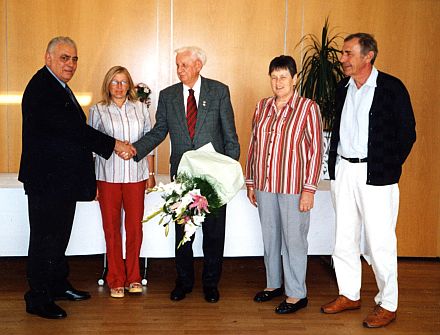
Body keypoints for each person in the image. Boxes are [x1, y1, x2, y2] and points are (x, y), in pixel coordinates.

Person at [19, 36, 136, 319]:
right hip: (47, 181)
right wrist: (115, 144)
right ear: (48, 58)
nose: (70, 64)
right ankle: (38, 298)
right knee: (45, 240)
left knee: (59, 238)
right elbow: (75, 131)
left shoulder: (58, 86)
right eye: (64, 58)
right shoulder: (42, 88)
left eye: (74, 59)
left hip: (60, 180)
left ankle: (58, 285)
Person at [128, 46, 240, 303]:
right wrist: (136, 149)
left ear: (198, 65)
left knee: (213, 233)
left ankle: (211, 284)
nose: (179, 70)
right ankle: (184, 282)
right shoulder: (167, 96)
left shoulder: (219, 91)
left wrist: (228, 171)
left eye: (184, 65)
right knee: (183, 232)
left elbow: (230, 136)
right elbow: (159, 132)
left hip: (213, 178)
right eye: (177, 65)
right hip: (183, 178)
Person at [320, 33, 416, 328]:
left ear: (368, 56)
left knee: (380, 242)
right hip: (345, 171)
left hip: (376, 175)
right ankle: (349, 294)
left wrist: (387, 165)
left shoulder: (390, 88)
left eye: (348, 53)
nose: (342, 59)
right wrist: (336, 168)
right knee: (344, 238)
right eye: (343, 53)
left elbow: (406, 133)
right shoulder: (342, 87)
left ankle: (388, 303)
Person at [245, 55, 322, 314]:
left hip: (293, 188)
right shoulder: (262, 107)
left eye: (283, 77)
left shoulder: (308, 108)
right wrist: (251, 181)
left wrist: (309, 189)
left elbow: (315, 152)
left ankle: (297, 294)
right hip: (265, 185)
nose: (278, 83)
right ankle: (274, 284)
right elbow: (254, 145)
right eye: (274, 77)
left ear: (295, 78)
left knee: (294, 241)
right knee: (270, 238)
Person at [88, 66, 156, 298]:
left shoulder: (140, 108)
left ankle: (134, 277)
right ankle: (115, 278)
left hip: (136, 177)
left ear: (130, 85)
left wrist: (151, 173)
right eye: (114, 82)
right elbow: (91, 146)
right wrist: (91, 181)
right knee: (112, 229)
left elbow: (149, 141)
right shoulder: (97, 110)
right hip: (107, 177)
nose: (119, 86)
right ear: (108, 84)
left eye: (123, 82)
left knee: (135, 228)